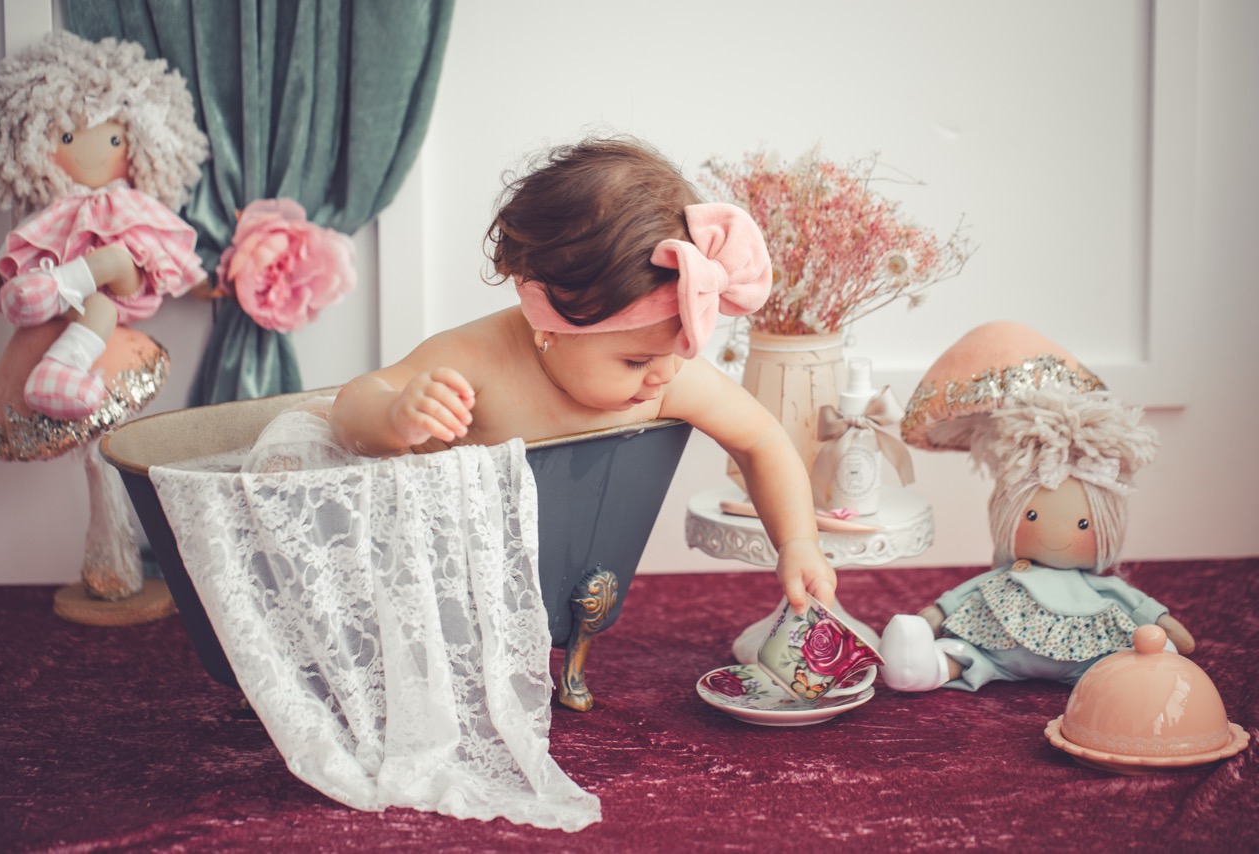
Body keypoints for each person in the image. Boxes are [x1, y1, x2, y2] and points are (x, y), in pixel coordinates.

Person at [331, 136, 836, 614]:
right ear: (548, 325)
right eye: (636, 361)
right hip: (431, 572)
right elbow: (351, 403)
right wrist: (396, 415)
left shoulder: (667, 373)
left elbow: (761, 440)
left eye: (680, 350)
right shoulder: (477, 359)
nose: (664, 375)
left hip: (563, 573)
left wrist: (797, 541)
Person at [879, 388, 1194, 692]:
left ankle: (1139, 672)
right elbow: (960, 597)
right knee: (964, 653)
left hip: (1084, 661)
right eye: (1030, 516)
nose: (1059, 533)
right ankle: (923, 666)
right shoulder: (1005, 579)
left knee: (1114, 664)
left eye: (1083, 525)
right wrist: (934, 617)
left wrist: (1163, 627)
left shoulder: (1099, 588)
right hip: (997, 652)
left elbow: (1138, 607)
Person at [0, 32, 208, 420]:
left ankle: (55, 287)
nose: (93, 151)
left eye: (114, 139)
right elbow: (17, 247)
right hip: (82, 303)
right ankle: (60, 371)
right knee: (100, 310)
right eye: (67, 137)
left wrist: (203, 283)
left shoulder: (131, 203)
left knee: (117, 258)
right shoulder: (53, 211)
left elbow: (169, 247)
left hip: (123, 284)